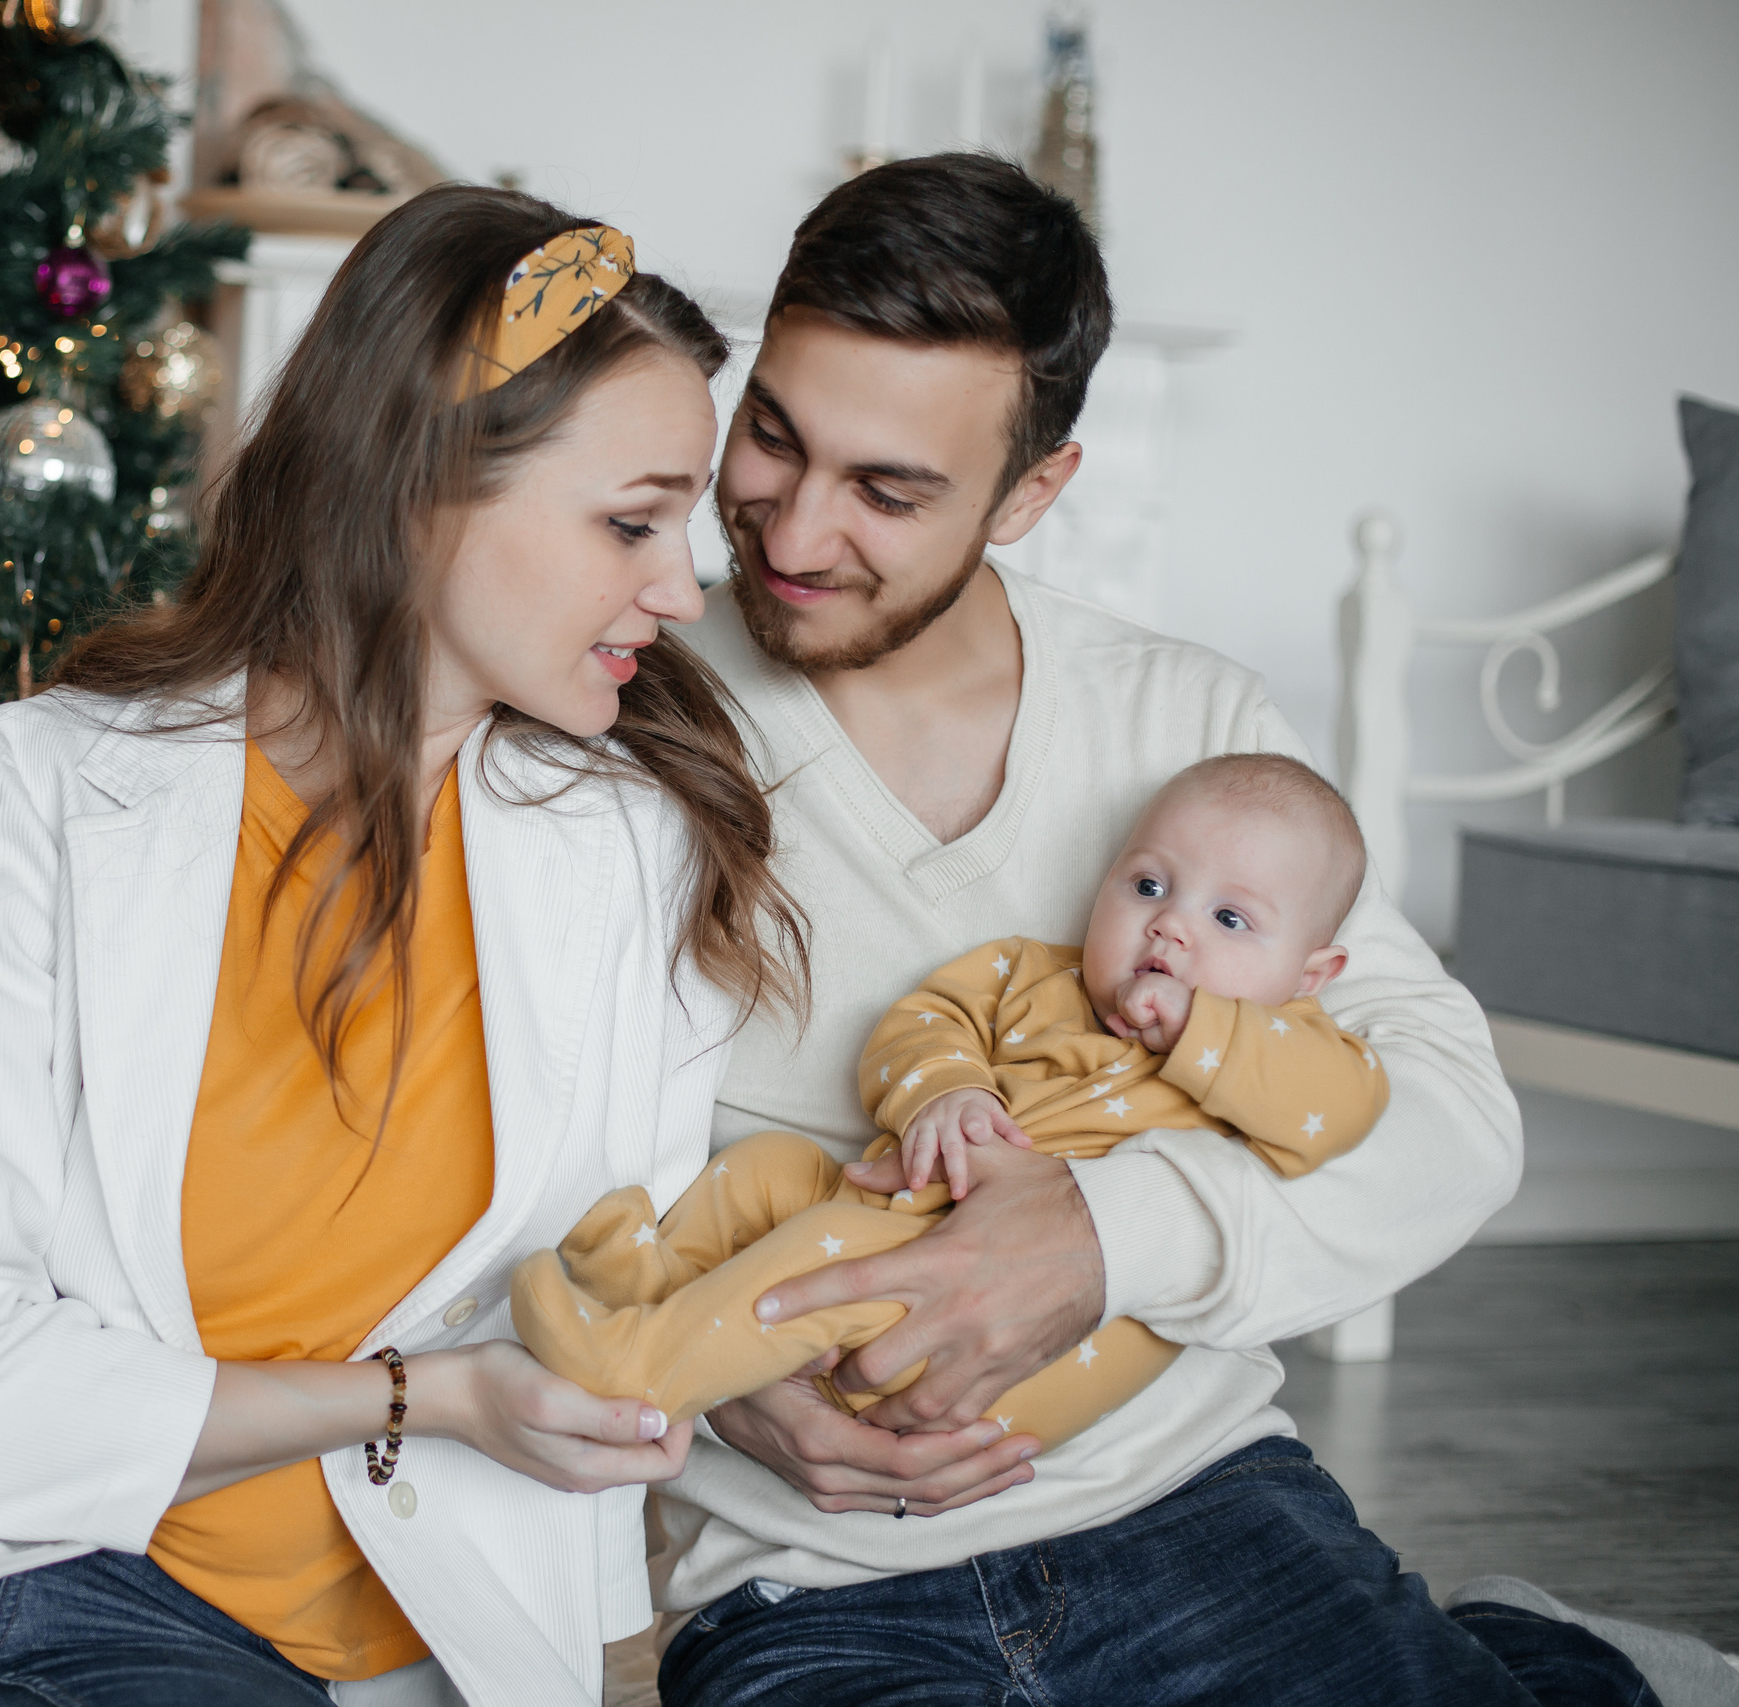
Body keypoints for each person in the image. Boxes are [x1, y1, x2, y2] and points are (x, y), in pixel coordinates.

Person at [0, 187, 805, 1707]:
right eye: (631, 522)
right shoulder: (44, 794)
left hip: (231, 1638)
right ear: (415, 485)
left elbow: (640, 1294)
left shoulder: (636, 853)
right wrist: (419, 1395)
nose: (681, 588)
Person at [650, 153, 1702, 1705]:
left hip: (1203, 1504)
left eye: (889, 490)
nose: (794, 531)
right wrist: (703, 1388)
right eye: (774, 436)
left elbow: (1453, 1118)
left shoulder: (1189, 723)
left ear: (1032, 495)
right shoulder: (627, 695)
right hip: (810, 1569)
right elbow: (484, 1155)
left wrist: (1105, 1236)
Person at [514, 753, 1386, 1444]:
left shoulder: (1294, 1049)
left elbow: (1343, 1110)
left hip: (1002, 1353)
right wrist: (949, 1086)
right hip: (902, 1213)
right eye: (1149, 886)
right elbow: (923, 1022)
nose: (1171, 924)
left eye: (1230, 920)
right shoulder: (1032, 973)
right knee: (768, 1168)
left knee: (837, 1252)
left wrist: (1203, 1028)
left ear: (1312, 973)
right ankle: (654, 1286)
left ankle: (635, 1373)